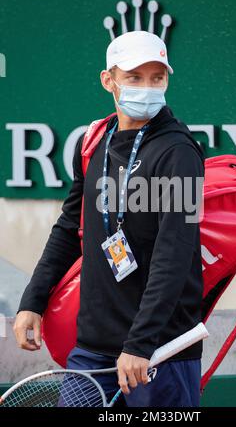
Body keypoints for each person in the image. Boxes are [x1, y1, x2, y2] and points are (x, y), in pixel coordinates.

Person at [14, 31, 205, 407]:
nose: (147, 88)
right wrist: (32, 301)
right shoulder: (95, 141)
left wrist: (141, 344)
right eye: (134, 77)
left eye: (157, 78)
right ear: (109, 80)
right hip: (91, 351)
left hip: (157, 354)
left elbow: (175, 255)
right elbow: (70, 228)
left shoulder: (179, 152)